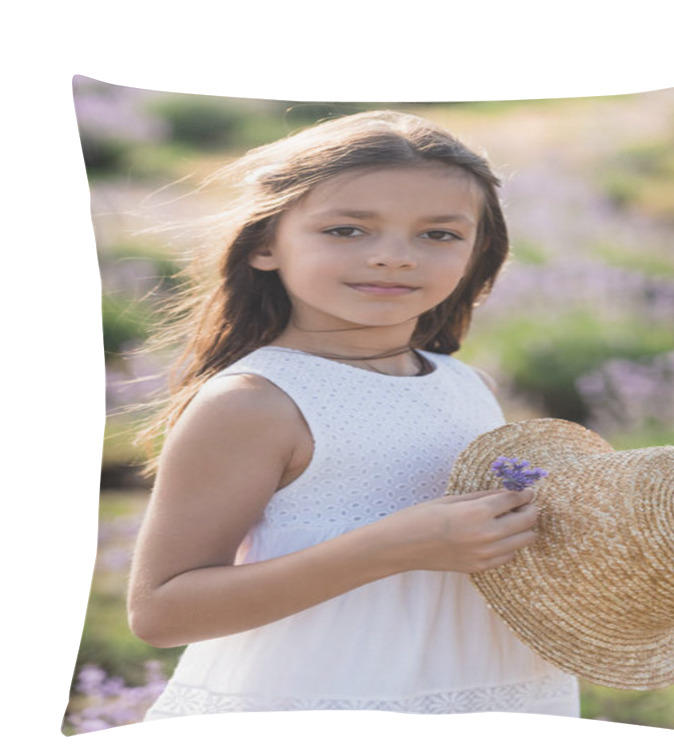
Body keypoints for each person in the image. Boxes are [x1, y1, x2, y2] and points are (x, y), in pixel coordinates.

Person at [129, 110, 580, 719]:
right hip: (325, 697)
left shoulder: (463, 383)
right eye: (346, 231)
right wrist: (390, 547)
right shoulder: (256, 402)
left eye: (439, 235)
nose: (394, 257)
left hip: (484, 687)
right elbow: (162, 612)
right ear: (265, 244)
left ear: (477, 253)